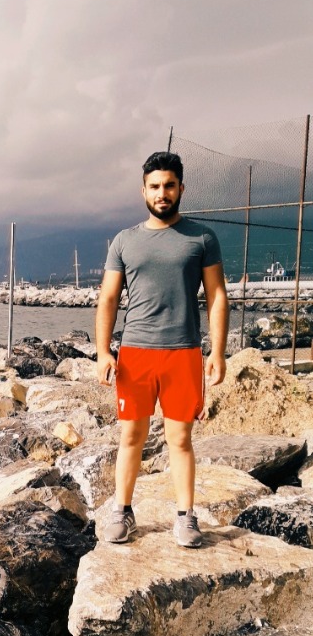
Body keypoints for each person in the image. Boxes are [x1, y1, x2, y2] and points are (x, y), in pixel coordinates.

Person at [96, 151, 228, 548]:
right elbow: (108, 299)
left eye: (169, 185)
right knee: (131, 436)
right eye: (154, 186)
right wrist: (104, 352)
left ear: (181, 188)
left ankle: (186, 518)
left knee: (180, 439)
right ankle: (122, 512)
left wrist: (217, 352)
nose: (162, 193)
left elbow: (217, 296)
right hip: (135, 353)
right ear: (144, 191)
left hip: (183, 353)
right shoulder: (125, 241)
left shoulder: (202, 238)